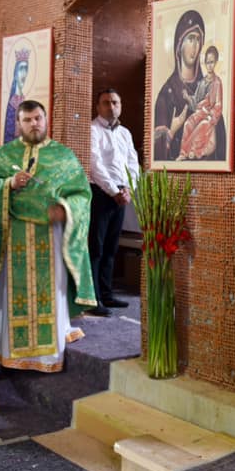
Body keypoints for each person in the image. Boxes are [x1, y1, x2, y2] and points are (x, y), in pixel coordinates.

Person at [0, 100, 97, 372]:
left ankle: (47, 354)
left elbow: (82, 194)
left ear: (46, 121)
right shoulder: (3, 155)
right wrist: (8, 183)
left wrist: (66, 209)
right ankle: (8, 350)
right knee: (12, 294)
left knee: (50, 292)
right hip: (13, 235)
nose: (34, 124)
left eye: (38, 118)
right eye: (28, 120)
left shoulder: (63, 156)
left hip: (50, 235)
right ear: (18, 124)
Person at [88, 88, 141, 316]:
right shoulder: (92, 130)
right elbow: (95, 164)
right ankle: (93, 299)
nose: (111, 106)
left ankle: (107, 295)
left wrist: (130, 188)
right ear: (98, 107)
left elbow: (132, 162)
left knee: (111, 247)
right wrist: (113, 190)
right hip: (100, 193)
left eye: (115, 102)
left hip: (121, 194)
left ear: (121, 106)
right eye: (106, 102)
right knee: (96, 248)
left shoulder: (125, 133)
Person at [153, 10, 226, 162]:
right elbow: (157, 156)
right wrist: (172, 129)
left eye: (199, 40)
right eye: (190, 39)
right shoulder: (166, 94)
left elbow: (221, 147)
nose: (195, 45)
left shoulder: (209, 84)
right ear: (179, 44)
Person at [178, 45, 223, 160]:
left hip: (209, 116)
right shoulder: (202, 82)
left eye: (212, 62)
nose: (209, 65)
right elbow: (196, 101)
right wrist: (188, 97)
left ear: (216, 62)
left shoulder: (217, 82)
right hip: (200, 113)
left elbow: (218, 104)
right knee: (188, 123)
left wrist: (210, 116)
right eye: (207, 62)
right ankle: (183, 153)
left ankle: (193, 151)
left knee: (202, 125)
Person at [3, 49, 30, 143]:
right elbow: (9, 132)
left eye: (26, 69)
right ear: (15, 72)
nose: (23, 74)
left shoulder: (23, 99)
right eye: (21, 69)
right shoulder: (12, 101)